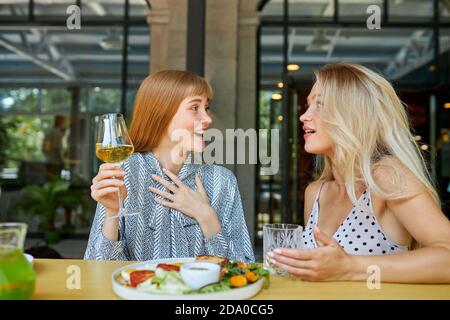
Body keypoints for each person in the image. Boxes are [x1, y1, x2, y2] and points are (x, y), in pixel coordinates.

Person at [269, 63, 450, 283]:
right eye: (308, 105)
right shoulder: (316, 193)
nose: (304, 116)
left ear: (352, 114)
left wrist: (350, 267)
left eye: (319, 104)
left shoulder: (387, 176)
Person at [84, 70, 254, 262]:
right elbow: (96, 268)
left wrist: (206, 217)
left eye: (205, 108)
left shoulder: (222, 181)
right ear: (162, 112)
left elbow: (244, 268)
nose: (207, 119)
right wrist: (112, 212)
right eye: (195, 107)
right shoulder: (123, 174)